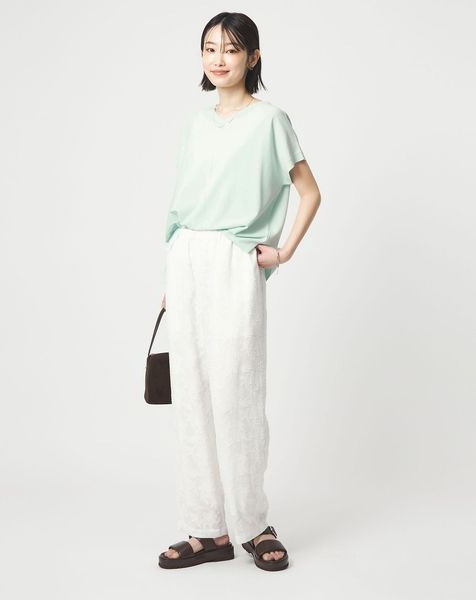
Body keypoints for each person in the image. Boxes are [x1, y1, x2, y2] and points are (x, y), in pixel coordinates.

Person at [158, 12, 321, 572]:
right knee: (192, 398)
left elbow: (309, 192)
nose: (218, 58)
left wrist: (284, 251)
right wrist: (170, 280)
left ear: (253, 57)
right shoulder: (193, 124)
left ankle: (253, 524)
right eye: (209, 48)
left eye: (231, 49)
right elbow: (183, 205)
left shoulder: (271, 120)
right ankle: (208, 529)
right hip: (186, 257)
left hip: (234, 257)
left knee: (238, 395)